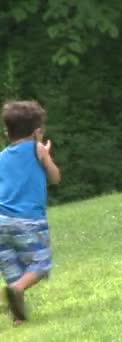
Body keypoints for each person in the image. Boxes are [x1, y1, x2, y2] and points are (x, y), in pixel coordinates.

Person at [0, 101, 60, 324]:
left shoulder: (1, 157)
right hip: (28, 220)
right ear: (37, 133)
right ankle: (16, 289)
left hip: (1, 221)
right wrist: (45, 155)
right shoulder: (37, 149)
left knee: (12, 267)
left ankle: (19, 318)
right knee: (41, 263)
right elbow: (55, 178)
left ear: (7, 133)